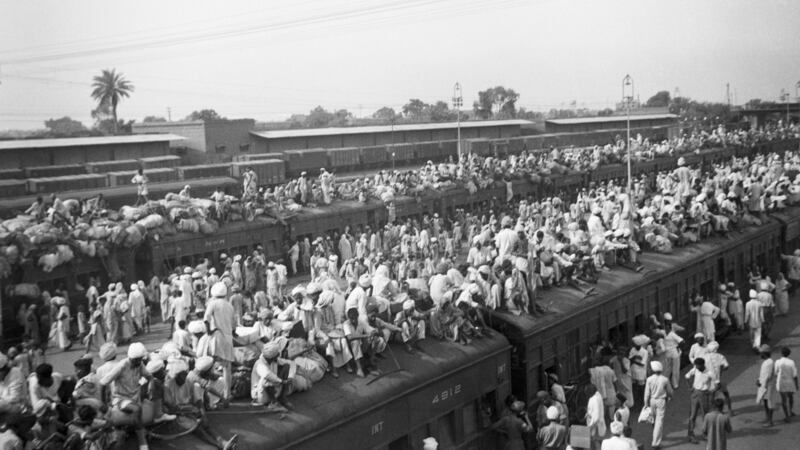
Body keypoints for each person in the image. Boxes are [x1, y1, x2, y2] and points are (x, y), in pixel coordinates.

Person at [99, 342, 151, 450]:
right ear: (133, 358)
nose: (140, 361)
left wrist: (149, 386)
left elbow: (149, 376)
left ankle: (136, 429)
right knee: (136, 409)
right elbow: (103, 383)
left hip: (134, 397)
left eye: (141, 359)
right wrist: (103, 403)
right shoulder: (121, 366)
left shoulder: (139, 364)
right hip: (120, 399)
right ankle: (142, 441)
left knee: (139, 410)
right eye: (139, 359)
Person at [204, 282, 235, 399]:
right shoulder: (229, 305)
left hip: (216, 336)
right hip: (228, 338)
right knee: (227, 368)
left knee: (211, 364)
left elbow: (206, 319)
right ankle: (227, 394)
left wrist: (208, 332)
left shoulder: (213, 304)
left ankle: (210, 394)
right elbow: (234, 325)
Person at [644, 361, 673, 450]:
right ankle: (656, 443)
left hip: (652, 400)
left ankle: (655, 434)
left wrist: (645, 403)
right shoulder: (665, 379)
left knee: (653, 419)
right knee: (659, 421)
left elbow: (647, 393)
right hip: (661, 400)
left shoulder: (649, 379)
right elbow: (670, 391)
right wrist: (670, 397)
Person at [685, 357, 714, 444]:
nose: (697, 368)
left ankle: (705, 434)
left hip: (704, 394)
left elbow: (715, 384)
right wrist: (690, 387)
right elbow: (687, 376)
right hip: (695, 394)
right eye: (696, 366)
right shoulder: (695, 369)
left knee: (705, 415)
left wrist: (710, 392)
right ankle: (690, 434)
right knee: (692, 415)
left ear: (703, 365)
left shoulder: (710, 373)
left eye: (698, 366)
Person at [704, 341, 733, 415]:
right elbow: (726, 366)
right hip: (720, 379)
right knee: (726, 394)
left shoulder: (705, 357)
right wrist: (721, 370)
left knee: (712, 395)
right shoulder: (720, 356)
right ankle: (730, 410)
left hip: (710, 379)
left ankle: (714, 410)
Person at [756, 344, 778, 427]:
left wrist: (762, 384)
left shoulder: (769, 362)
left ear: (764, 354)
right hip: (764, 385)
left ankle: (770, 421)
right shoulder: (766, 362)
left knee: (769, 402)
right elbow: (763, 374)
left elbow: (767, 376)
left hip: (768, 385)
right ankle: (767, 417)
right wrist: (758, 379)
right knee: (765, 402)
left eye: (761, 353)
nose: (760, 355)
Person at [775, 346, 798, 422]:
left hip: (781, 383)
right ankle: (790, 411)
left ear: (781, 353)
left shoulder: (778, 362)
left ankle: (787, 416)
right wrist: (797, 385)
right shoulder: (791, 362)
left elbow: (775, 372)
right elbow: (795, 375)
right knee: (791, 398)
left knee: (784, 400)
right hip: (790, 382)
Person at [585, 384, 606, 450]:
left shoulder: (594, 399)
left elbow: (596, 416)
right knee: (596, 441)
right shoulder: (598, 395)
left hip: (595, 425)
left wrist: (590, 425)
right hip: (597, 423)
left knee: (595, 441)